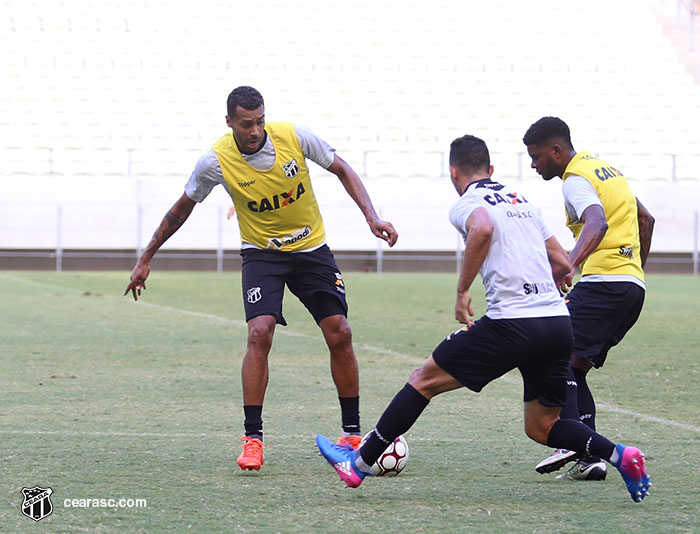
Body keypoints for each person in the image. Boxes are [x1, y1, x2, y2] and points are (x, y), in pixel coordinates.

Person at [314, 135, 651, 503]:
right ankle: (620, 454)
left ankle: (358, 463)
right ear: (491, 170)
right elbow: (562, 262)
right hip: (556, 322)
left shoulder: (467, 202)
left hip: (512, 322)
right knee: (543, 425)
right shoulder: (523, 201)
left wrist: (462, 290)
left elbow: (483, 228)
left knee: (423, 379)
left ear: (453, 172)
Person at [124, 85, 398, 471]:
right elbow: (182, 207)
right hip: (262, 255)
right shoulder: (215, 161)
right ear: (230, 122)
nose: (255, 131)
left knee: (340, 331)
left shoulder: (294, 136)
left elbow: (342, 168)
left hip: (311, 250)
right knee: (259, 332)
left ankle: (352, 435)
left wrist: (372, 216)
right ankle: (253, 439)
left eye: (260, 122)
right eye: (246, 124)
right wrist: (146, 257)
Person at [522, 117, 655, 481]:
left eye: (536, 157)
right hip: (630, 286)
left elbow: (596, 222)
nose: (534, 165)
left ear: (556, 151)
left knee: (552, 352)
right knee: (575, 366)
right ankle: (590, 458)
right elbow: (646, 218)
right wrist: (633, 270)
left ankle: (570, 439)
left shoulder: (575, 181)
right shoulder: (606, 170)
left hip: (603, 284)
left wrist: (569, 265)